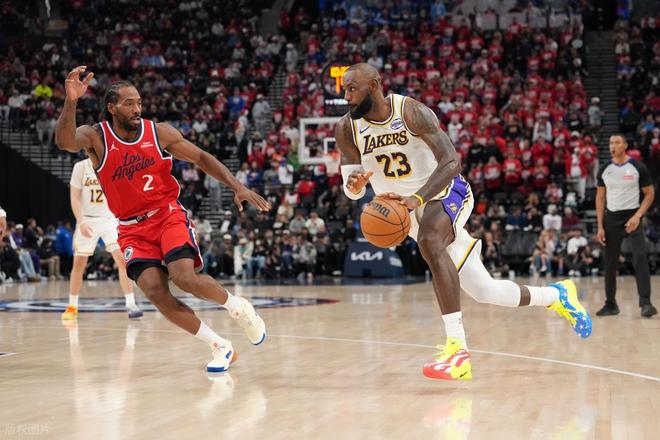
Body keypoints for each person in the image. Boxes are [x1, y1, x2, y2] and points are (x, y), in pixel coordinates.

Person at [335, 63, 591, 381]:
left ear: (374, 85)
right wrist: (355, 185)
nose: (346, 96)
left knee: (430, 241)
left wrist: (418, 198)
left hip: (444, 192)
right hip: (404, 211)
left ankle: (458, 351)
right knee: (485, 290)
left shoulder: (411, 112)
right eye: (344, 89)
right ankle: (556, 295)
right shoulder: (347, 128)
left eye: (352, 88)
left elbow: (452, 162)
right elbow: (351, 187)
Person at [55, 66, 271, 372]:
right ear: (111, 107)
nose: (137, 109)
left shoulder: (158, 132)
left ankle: (237, 307)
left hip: (166, 214)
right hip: (131, 228)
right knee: (156, 293)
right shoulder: (96, 136)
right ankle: (220, 346)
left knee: (184, 277)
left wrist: (238, 186)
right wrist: (71, 100)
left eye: (139, 103)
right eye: (129, 103)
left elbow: (201, 157)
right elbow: (65, 142)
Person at [61, 158, 144, 321]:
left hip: (109, 219)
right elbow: (75, 197)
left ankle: (131, 304)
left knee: (122, 260)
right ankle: (72, 306)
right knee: (79, 264)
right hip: (87, 219)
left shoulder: (112, 164)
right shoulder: (80, 167)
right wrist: (81, 221)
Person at [595, 134, 656, 318]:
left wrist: (637, 216)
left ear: (625, 145)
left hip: (632, 216)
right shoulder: (604, 169)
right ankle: (610, 304)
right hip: (611, 218)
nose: (613, 146)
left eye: (617, 142)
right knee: (610, 262)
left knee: (639, 257)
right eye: (611, 143)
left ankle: (646, 303)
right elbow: (600, 197)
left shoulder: (638, 167)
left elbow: (650, 194)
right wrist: (600, 226)